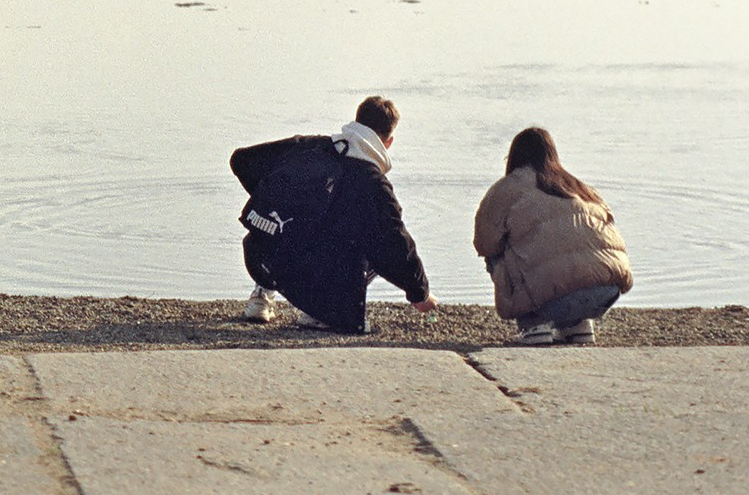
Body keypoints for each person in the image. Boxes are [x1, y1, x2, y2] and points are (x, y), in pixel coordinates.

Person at [231, 95, 437, 334]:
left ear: (356, 123)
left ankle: (262, 294)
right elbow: (396, 243)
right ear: (388, 142)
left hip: (263, 259)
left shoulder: (310, 147)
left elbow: (242, 160)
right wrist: (419, 293)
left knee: (291, 227)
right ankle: (320, 312)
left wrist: (274, 198)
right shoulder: (374, 184)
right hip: (311, 274)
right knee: (375, 239)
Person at [473, 127, 632, 345]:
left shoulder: (506, 188)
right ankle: (579, 324)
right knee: (577, 248)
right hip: (606, 291)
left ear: (514, 156)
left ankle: (534, 325)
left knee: (496, 256)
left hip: (552, 299)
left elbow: (484, 243)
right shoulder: (580, 187)